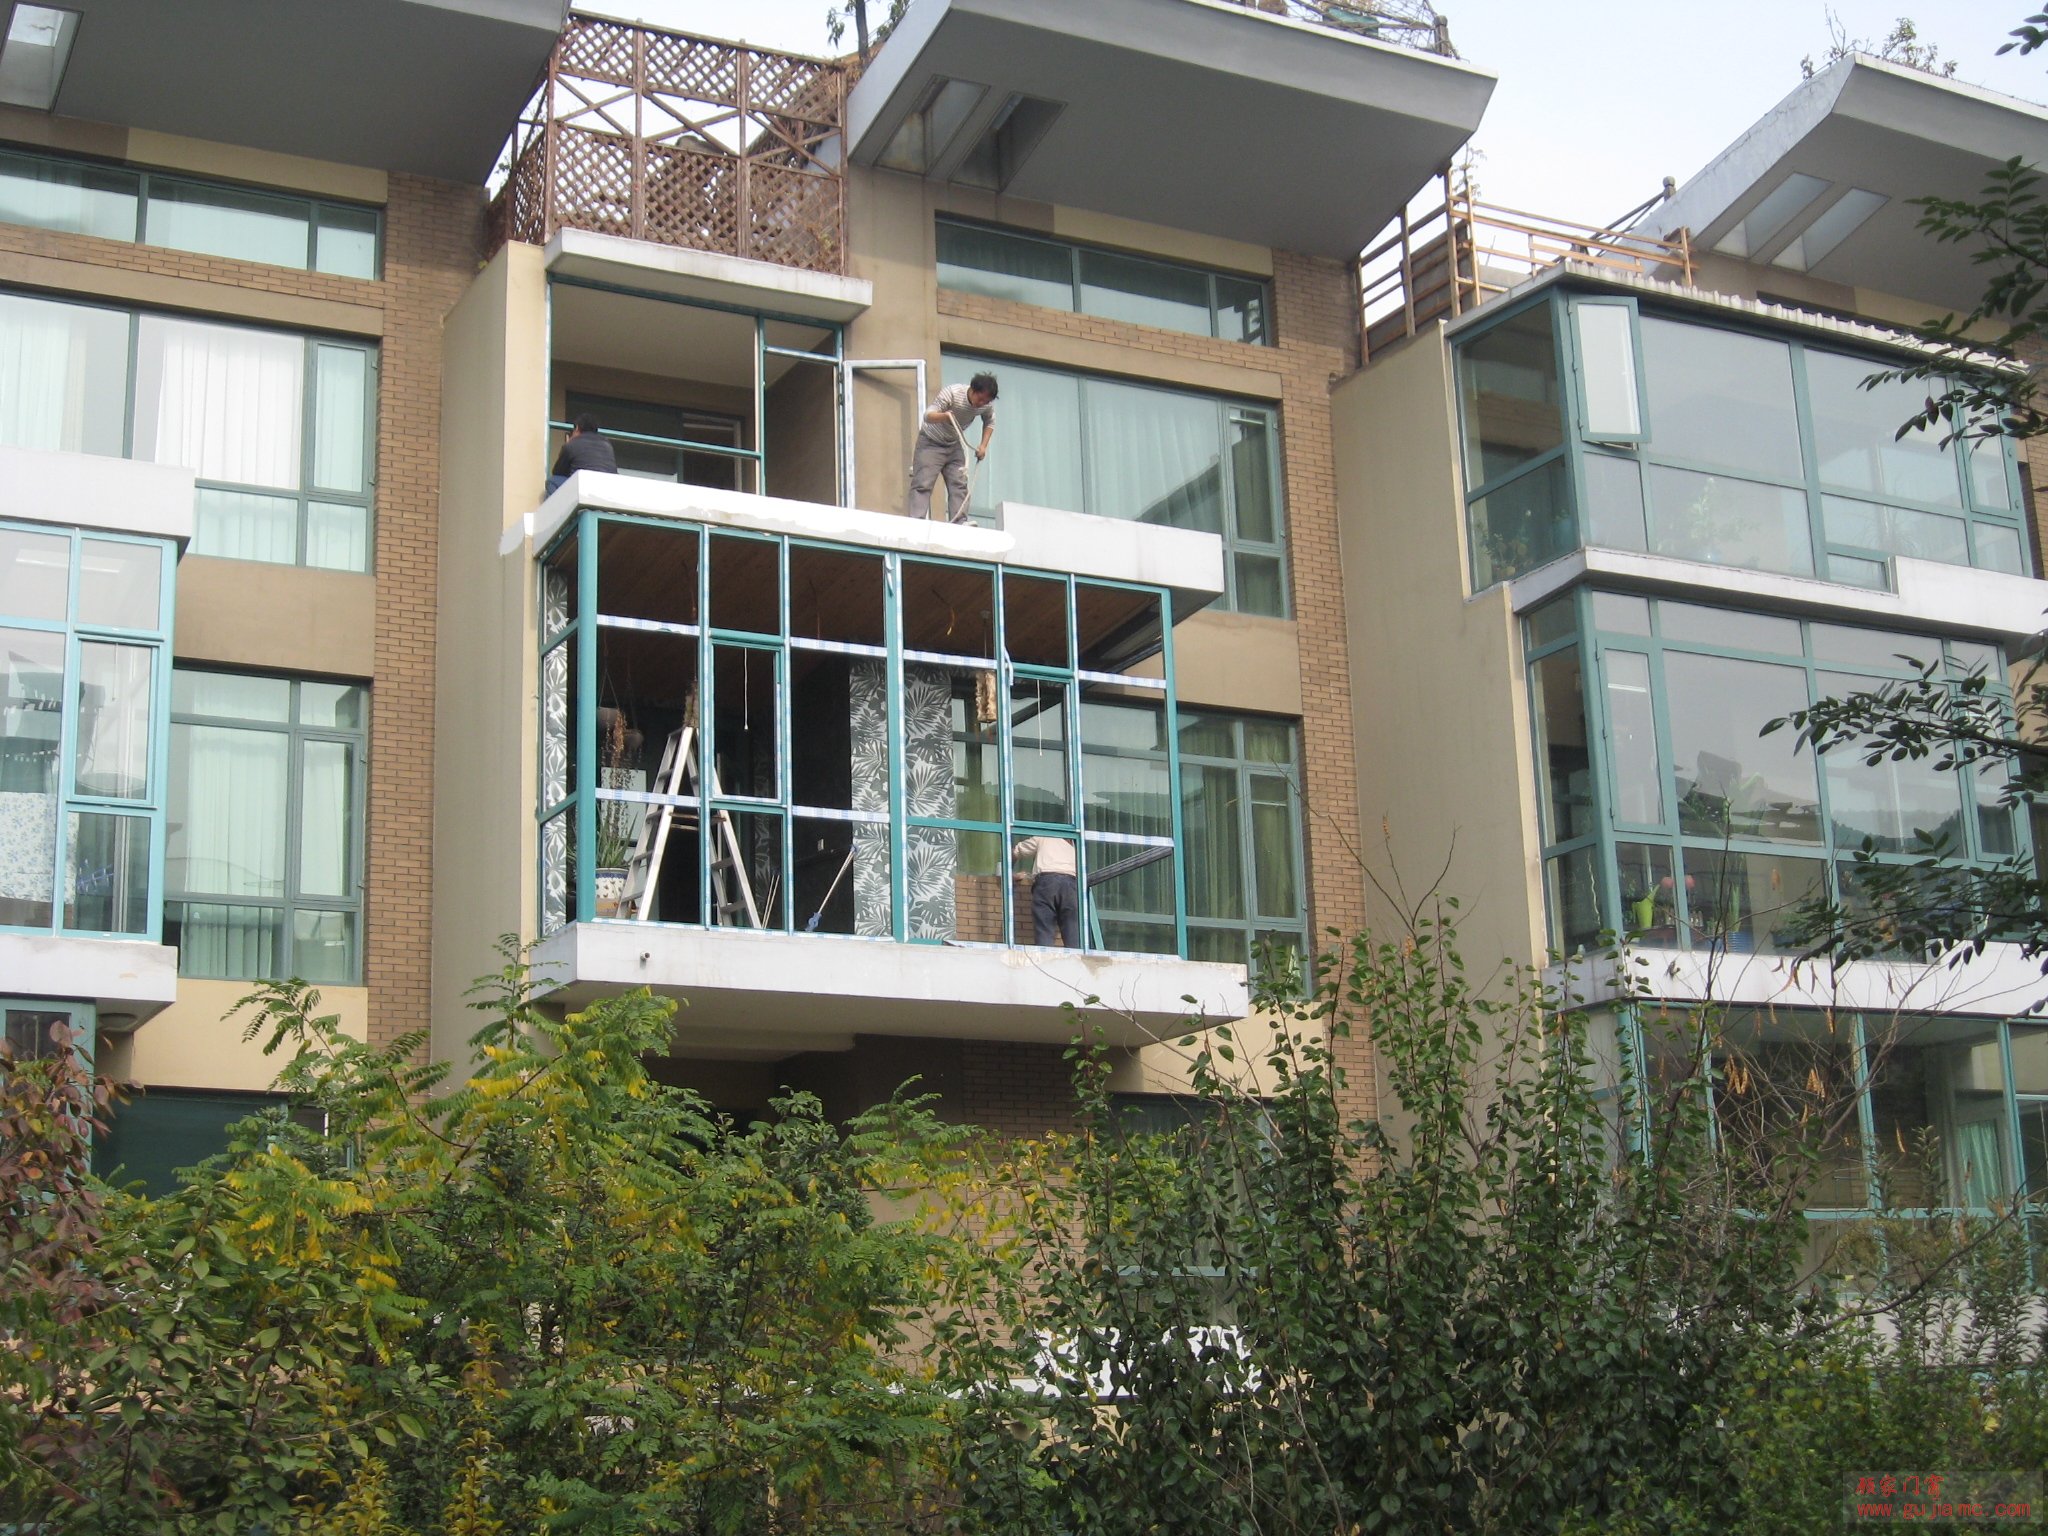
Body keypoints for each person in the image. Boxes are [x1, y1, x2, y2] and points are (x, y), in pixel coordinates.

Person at [909, 372, 996, 522]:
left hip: (954, 443)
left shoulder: (986, 405)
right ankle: (916, 520)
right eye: (980, 398)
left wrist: (983, 446)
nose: (981, 403)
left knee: (959, 484)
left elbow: (990, 422)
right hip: (931, 442)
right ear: (973, 389)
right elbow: (928, 415)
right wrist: (944, 416)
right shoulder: (952, 393)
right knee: (923, 483)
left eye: (986, 401)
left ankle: (959, 522)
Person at [1012, 833, 1078, 948]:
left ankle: (1044, 954)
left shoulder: (1044, 837)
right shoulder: (1075, 845)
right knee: (1072, 928)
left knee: (1044, 927)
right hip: (1071, 884)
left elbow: (1016, 851)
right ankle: (1077, 955)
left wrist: (1008, 870)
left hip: (1047, 882)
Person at [548, 414, 617, 493]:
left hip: (584, 486)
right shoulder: (607, 445)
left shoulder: (572, 444)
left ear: (577, 428)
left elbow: (557, 472)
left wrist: (566, 446)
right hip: (608, 487)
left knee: (552, 481)